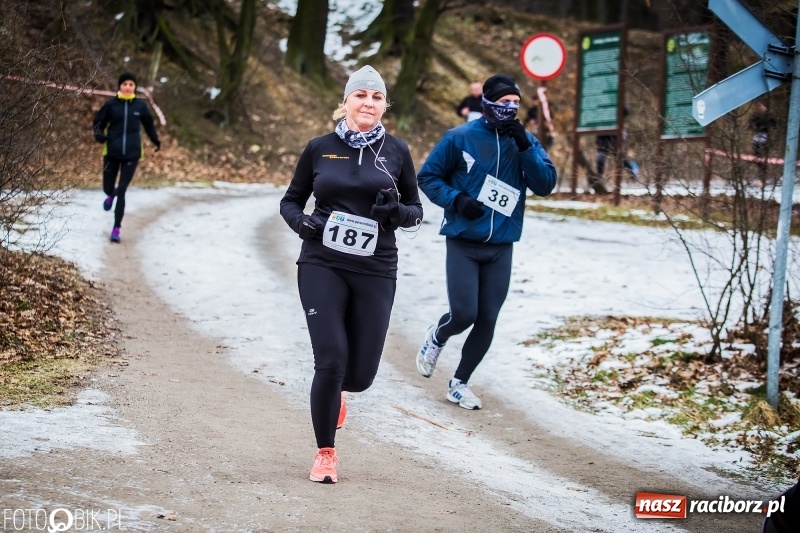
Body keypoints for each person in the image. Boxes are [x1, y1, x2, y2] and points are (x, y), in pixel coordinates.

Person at [280, 65, 423, 483]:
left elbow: (416, 212)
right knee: (330, 360)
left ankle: (340, 392)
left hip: (376, 267)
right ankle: (325, 453)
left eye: (376, 97)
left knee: (359, 376)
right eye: (360, 95)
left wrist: (395, 213)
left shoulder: (397, 152)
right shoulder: (319, 148)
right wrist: (303, 223)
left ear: (384, 105)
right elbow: (290, 201)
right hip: (322, 262)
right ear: (345, 102)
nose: (368, 103)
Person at [415, 73, 556, 410]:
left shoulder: (524, 141)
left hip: (501, 245)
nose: (510, 108)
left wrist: (525, 146)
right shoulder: (460, 137)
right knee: (465, 313)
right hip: (464, 241)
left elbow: (545, 184)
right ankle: (438, 336)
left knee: (488, 317)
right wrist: (457, 200)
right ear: (488, 102)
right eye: (504, 102)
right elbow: (428, 176)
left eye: (516, 103)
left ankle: (460, 383)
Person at [92, 72, 161, 243]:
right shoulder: (111, 105)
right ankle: (110, 195)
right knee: (108, 188)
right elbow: (98, 122)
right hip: (112, 152)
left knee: (122, 190)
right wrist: (98, 134)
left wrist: (155, 140)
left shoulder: (140, 107)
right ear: (120, 86)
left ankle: (116, 228)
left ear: (135, 87)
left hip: (132, 153)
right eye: (125, 84)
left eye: (131, 84)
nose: (128, 87)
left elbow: (149, 126)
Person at [748, 100, 777, 182]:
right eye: (759, 106)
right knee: (756, 148)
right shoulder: (757, 114)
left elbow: (774, 123)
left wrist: (774, 129)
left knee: (762, 150)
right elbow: (751, 122)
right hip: (757, 133)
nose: (760, 108)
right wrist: (751, 127)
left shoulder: (769, 115)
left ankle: (764, 173)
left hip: (765, 134)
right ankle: (760, 168)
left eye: (761, 106)